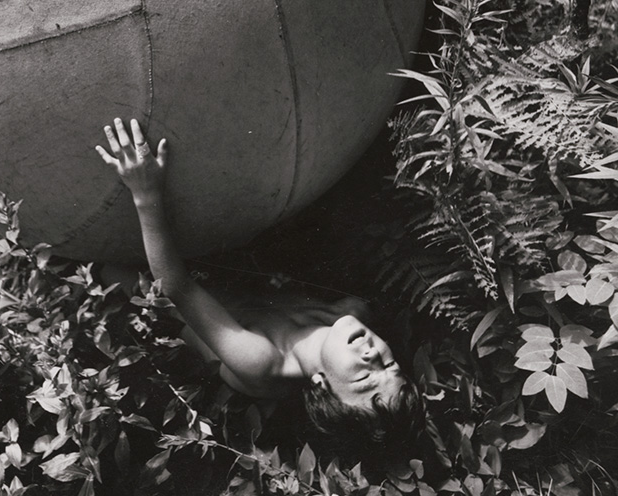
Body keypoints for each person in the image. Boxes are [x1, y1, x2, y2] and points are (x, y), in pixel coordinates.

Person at [96, 117, 425, 461]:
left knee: (104, 264)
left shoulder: (262, 361)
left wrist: (145, 193)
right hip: (223, 269)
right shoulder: (354, 313)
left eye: (364, 380)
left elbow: (176, 287)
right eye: (391, 368)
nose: (374, 357)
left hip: (163, 292)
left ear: (322, 387)